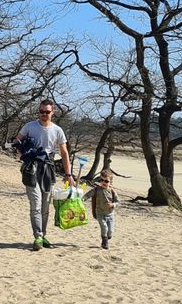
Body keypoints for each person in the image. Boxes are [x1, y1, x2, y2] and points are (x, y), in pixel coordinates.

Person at [12, 99, 74, 251]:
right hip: (30, 169)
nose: (44, 114)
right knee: (36, 202)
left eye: (47, 112)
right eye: (41, 111)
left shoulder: (58, 130)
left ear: (53, 112)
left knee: (45, 206)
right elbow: (16, 142)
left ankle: (43, 234)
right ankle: (38, 235)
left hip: (48, 168)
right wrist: (23, 153)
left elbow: (64, 152)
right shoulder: (29, 126)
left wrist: (68, 174)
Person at [83, 169, 119, 249]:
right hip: (100, 213)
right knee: (104, 227)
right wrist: (81, 200)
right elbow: (87, 195)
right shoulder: (97, 190)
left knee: (110, 232)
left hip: (110, 215)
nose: (103, 182)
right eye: (101, 180)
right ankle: (104, 242)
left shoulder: (112, 191)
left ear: (110, 182)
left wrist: (113, 204)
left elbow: (118, 202)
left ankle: (107, 237)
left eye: (106, 181)